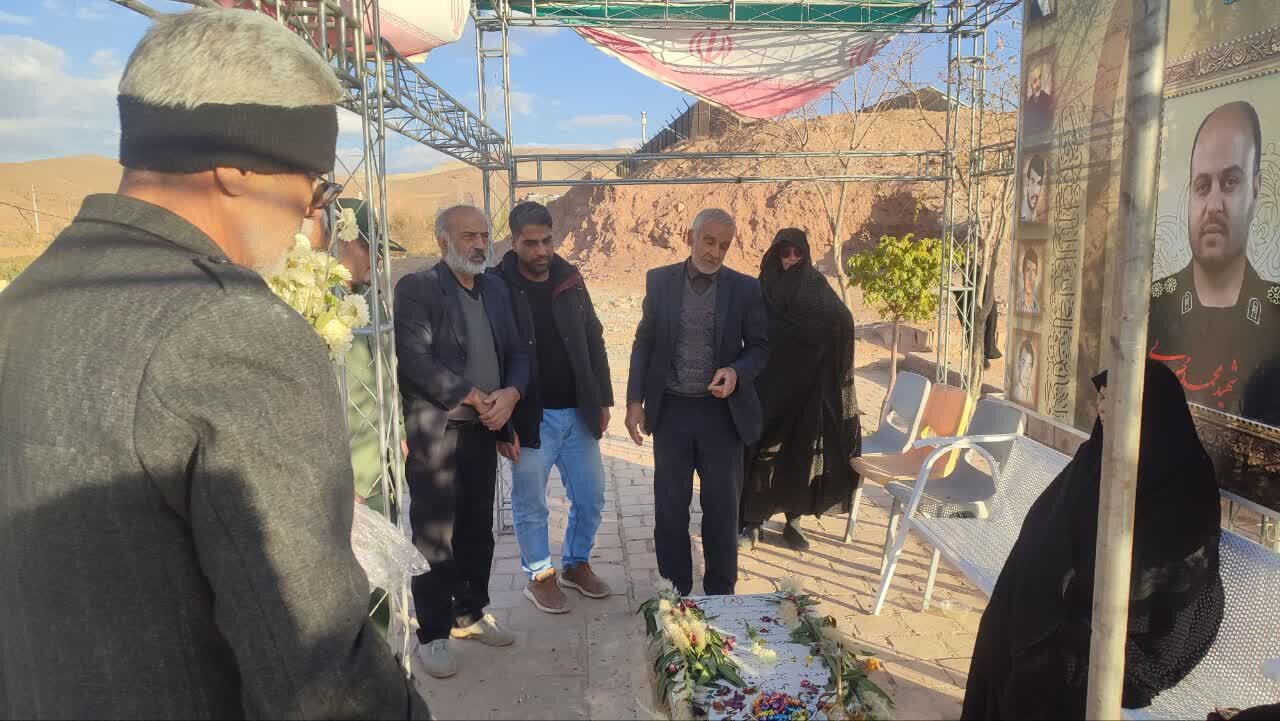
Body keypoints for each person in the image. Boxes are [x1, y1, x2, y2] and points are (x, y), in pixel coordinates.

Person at [0, 9, 428, 719]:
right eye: (315, 183)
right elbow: (319, 669)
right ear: (236, 166)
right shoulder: (232, 330)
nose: (309, 214)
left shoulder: (27, 300)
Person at [962, 360, 1224, 719]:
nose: (1102, 407)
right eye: (1101, 396)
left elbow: (1162, 573)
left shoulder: (1184, 478)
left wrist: (1075, 587)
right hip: (1074, 596)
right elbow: (1052, 521)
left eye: (1115, 399)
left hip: (1134, 622)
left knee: (1046, 663)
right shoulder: (1098, 453)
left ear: (1146, 406)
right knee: (1001, 625)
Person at [394, 204, 529, 679]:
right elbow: (415, 359)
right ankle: (432, 633)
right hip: (439, 431)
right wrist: (473, 395)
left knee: (476, 529)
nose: (479, 244)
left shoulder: (496, 288)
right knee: (435, 533)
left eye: (484, 235)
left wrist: (510, 397)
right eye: (468, 235)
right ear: (443, 242)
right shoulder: (417, 288)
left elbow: (517, 353)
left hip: (482, 430)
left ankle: (469, 613)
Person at [625, 208, 769, 595]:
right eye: (709, 241)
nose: (715, 252)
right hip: (671, 411)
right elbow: (644, 342)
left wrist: (736, 372)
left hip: (721, 415)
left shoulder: (744, 289)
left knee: (722, 508)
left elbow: (760, 348)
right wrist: (635, 400)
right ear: (691, 237)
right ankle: (675, 590)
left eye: (724, 246)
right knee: (670, 506)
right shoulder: (660, 282)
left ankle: (721, 593)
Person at [491, 201, 615, 613]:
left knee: (591, 496)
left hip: (578, 412)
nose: (542, 250)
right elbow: (491, 354)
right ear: (514, 242)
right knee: (531, 503)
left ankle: (576, 563)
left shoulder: (570, 278)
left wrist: (602, 399)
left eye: (547, 240)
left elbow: (594, 338)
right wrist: (502, 426)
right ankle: (540, 576)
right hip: (530, 416)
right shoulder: (497, 286)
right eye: (531, 243)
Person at [1149, 100, 1280, 421]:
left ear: (1256, 189)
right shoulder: (1151, 310)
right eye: (1202, 186)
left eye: (1231, 182)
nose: (1213, 206)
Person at [739, 229, 861, 551]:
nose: (792, 259)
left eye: (798, 253)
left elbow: (842, 318)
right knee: (760, 452)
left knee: (799, 453)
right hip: (767, 386)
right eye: (786, 252)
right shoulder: (763, 286)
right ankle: (753, 522)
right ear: (775, 254)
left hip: (806, 389)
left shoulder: (815, 285)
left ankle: (793, 522)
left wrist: (826, 352)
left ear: (805, 254)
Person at [1021, 155, 1048, 224]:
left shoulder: (1037, 216)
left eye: (1039, 183)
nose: (1035, 191)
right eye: (1032, 182)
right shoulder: (1022, 217)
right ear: (1027, 183)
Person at [1017, 248, 1042, 314]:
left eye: (1033, 271)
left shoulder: (1037, 308)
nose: (1030, 278)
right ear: (1023, 273)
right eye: (1027, 270)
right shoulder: (1016, 304)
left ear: (1036, 275)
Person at [1012, 339, 1037, 405]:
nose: (1026, 371)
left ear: (1031, 369)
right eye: (1023, 363)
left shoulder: (1032, 397)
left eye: (1029, 365)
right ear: (1018, 364)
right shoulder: (1013, 394)